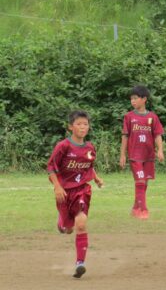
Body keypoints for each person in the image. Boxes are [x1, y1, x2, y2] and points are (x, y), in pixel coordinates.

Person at [47, 110, 104, 278]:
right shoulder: (63, 146)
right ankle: (62, 222)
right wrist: (57, 187)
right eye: (79, 124)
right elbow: (51, 167)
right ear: (71, 127)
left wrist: (96, 178)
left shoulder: (90, 147)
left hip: (82, 190)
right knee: (68, 228)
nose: (82, 127)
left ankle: (80, 263)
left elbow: (89, 167)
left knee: (81, 224)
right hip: (64, 192)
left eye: (85, 124)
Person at [119, 85, 165, 219]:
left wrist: (160, 150)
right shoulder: (129, 117)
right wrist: (122, 154)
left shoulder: (152, 117)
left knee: (144, 182)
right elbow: (125, 136)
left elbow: (157, 135)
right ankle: (143, 210)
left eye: (135, 98)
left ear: (144, 99)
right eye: (131, 99)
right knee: (140, 181)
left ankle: (135, 208)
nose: (132, 101)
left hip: (148, 156)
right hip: (135, 155)